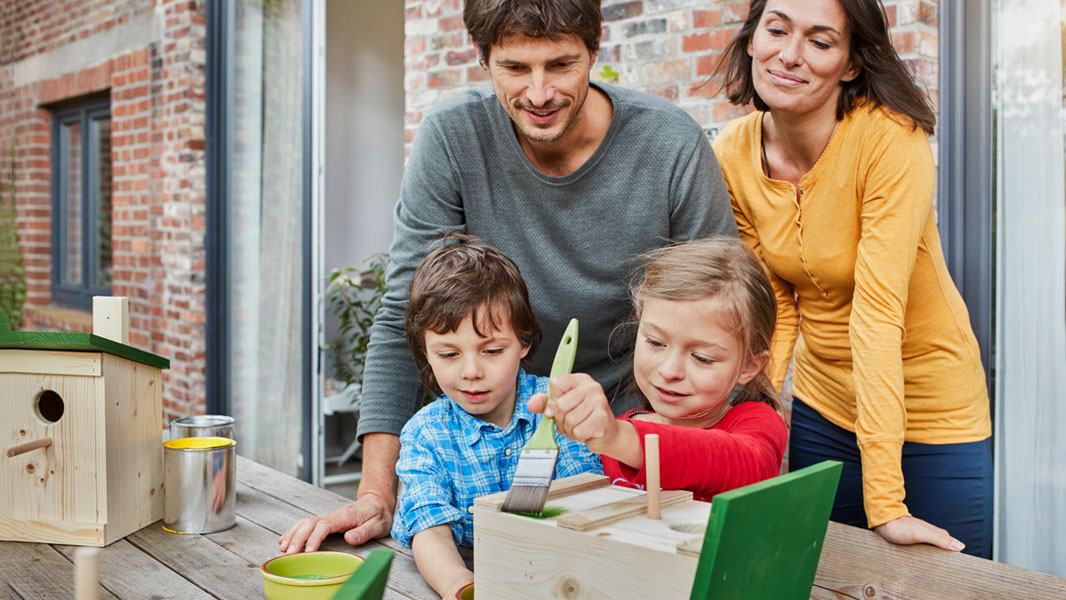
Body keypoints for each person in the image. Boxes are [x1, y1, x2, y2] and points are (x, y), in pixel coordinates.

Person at [279, 0, 733, 554]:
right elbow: (404, 310)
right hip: (497, 440)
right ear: (483, 58)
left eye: (561, 65)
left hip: (632, 443)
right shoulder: (452, 138)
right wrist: (377, 493)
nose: (539, 94)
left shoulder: (670, 144)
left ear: (595, 51)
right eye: (516, 68)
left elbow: (718, 315)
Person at [710, 0, 993, 556]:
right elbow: (779, 308)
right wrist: (757, 427)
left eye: (820, 41)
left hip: (932, 409)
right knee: (829, 578)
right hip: (826, 407)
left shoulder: (890, 138)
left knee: (953, 589)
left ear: (850, 64)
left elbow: (877, 310)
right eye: (776, 30)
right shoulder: (733, 153)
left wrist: (884, 501)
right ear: (751, 40)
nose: (790, 55)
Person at [390, 234, 601, 599]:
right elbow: (430, 530)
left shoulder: (555, 408)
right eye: (449, 354)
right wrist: (461, 585)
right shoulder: (425, 435)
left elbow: (585, 504)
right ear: (425, 351)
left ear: (524, 342)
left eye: (491, 350)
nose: (471, 371)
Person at [530, 237, 788, 500]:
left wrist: (619, 439)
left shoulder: (758, 423)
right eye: (655, 342)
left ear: (749, 364)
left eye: (702, 358)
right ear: (639, 324)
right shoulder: (623, 428)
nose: (669, 370)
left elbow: (748, 464)